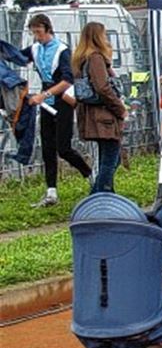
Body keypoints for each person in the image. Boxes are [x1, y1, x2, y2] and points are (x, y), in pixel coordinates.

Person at [22, 14, 93, 207]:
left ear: (47, 29)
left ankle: (90, 175)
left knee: (64, 148)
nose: (36, 36)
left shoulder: (62, 50)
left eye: (39, 32)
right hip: (46, 102)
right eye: (34, 33)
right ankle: (51, 191)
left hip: (61, 100)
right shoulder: (35, 48)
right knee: (47, 147)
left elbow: (67, 80)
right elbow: (19, 57)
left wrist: (43, 95)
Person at [73, 22, 127, 194]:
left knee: (110, 157)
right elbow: (103, 87)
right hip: (103, 115)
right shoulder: (95, 58)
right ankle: (98, 196)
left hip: (90, 114)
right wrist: (120, 108)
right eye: (104, 35)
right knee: (110, 159)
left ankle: (107, 195)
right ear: (98, 37)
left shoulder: (80, 60)